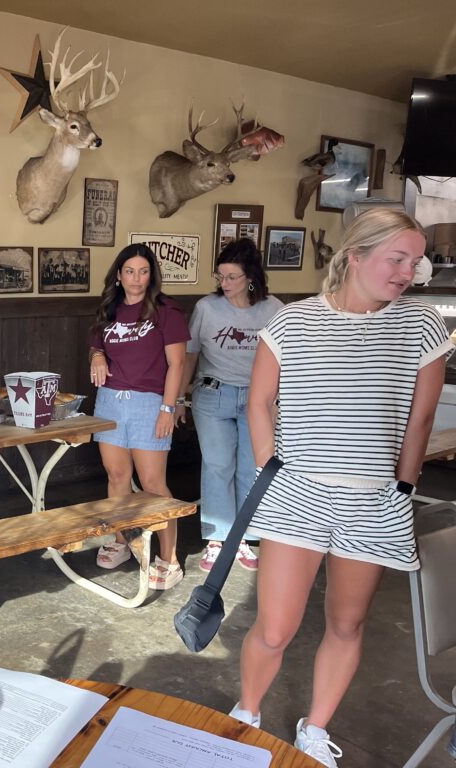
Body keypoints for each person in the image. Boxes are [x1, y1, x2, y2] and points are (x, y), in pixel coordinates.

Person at [230, 209, 453, 766]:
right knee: (276, 627)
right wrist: (268, 468)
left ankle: (314, 729)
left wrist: (402, 487)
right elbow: (259, 403)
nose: (407, 271)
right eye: (395, 258)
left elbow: (419, 422)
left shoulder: (423, 326)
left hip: (376, 498)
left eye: (414, 260)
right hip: (297, 493)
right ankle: (247, 714)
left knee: (347, 623)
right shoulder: (292, 322)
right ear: (355, 255)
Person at [178, 238, 284, 572]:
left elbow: (286, 359)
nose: (224, 284)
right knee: (218, 466)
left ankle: (246, 537)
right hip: (213, 394)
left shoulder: (274, 309)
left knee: (251, 468)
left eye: (232, 277)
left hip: (258, 398)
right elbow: (191, 355)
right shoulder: (207, 308)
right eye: (221, 276)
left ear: (250, 277)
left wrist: (280, 401)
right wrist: (181, 398)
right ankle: (217, 539)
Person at [88, 244, 190, 589]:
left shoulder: (166, 311)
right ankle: (120, 540)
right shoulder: (109, 309)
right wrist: (97, 355)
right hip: (110, 401)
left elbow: (178, 363)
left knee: (152, 484)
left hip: (150, 402)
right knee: (117, 476)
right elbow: (96, 341)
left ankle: (170, 558)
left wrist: (168, 407)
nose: (136, 278)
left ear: (151, 275)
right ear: (118, 275)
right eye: (129, 271)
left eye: (143, 271)